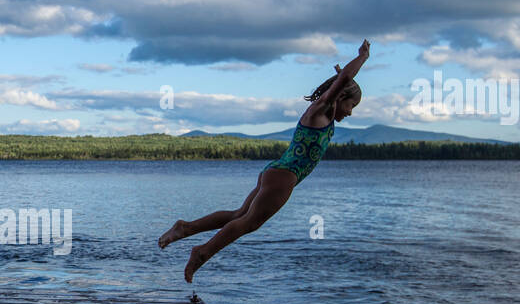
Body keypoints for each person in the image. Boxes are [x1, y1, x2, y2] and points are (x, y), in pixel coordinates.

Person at [158, 39, 371, 282]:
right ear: (339, 96)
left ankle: (185, 228)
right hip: (284, 177)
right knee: (249, 223)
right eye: (351, 104)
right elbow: (343, 80)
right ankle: (201, 253)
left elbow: (343, 81)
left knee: (239, 215)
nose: (351, 111)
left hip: (275, 172)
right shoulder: (318, 110)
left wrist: (345, 80)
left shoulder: (325, 115)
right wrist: (362, 58)